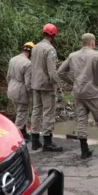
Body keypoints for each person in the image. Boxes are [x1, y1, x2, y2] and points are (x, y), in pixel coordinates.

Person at [57, 33, 98, 159]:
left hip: (78, 92)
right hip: (93, 92)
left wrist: (72, 82)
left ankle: (84, 150)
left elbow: (60, 72)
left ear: (82, 42)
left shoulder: (72, 56)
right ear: (92, 42)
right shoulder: (97, 55)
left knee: (81, 121)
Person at [30, 23, 63, 152]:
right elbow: (52, 72)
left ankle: (35, 140)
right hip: (46, 85)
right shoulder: (50, 50)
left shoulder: (35, 48)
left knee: (36, 111)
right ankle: (47, 142)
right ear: (53, 35)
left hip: (35, 83)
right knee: (48, 112)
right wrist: (58, 87)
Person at [6, 42, 34, 142]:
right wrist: (32, 95)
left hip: (11, 88)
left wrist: (10, 86)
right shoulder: (28, 64)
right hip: (21, 91)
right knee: (22, 113)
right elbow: (28, 83)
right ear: (31, 52)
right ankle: (16, 137)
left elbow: (8, 77)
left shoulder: (13, 59)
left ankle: (23, 132)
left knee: (18, 112)